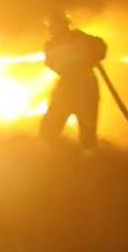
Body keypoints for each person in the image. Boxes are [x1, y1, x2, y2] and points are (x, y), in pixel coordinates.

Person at [39, 11, 108, 151]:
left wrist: (92, 58)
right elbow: (50, 62)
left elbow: (101, 47)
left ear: (64, 24)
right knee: (51, 122)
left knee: (87, 125)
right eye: (51, 26)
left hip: (85, 84)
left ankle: (90, 155)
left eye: (55, 25)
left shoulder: (80, 37)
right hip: (67, 83)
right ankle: (46, 153)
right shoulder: (51, 44)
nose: (52, 29)